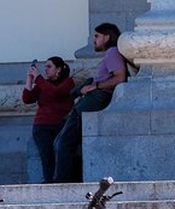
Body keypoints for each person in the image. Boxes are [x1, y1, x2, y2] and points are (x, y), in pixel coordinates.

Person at [53, 22, 128, 183]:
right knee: (63, 142)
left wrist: (95, 86)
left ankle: (61, 181)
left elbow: (120, 77)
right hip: (91, 101)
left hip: (93, 101)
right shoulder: (111, 53)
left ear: (107, 37)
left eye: (97, 36)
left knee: (63, 142)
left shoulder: (112, 52)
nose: (94, 39)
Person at [22, 56, 75, 183]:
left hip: (61, 124)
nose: (45, 69)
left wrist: (39, 78)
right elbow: (27, 99)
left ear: (59, 69)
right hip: (42, 126)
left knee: (63, 154)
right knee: (47, 157)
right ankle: (49, 181)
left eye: (49, 66)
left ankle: (62, 180)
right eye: (45, 66)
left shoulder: (68, 82)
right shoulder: (43, 83)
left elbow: (56, 93)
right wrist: (29, 79)